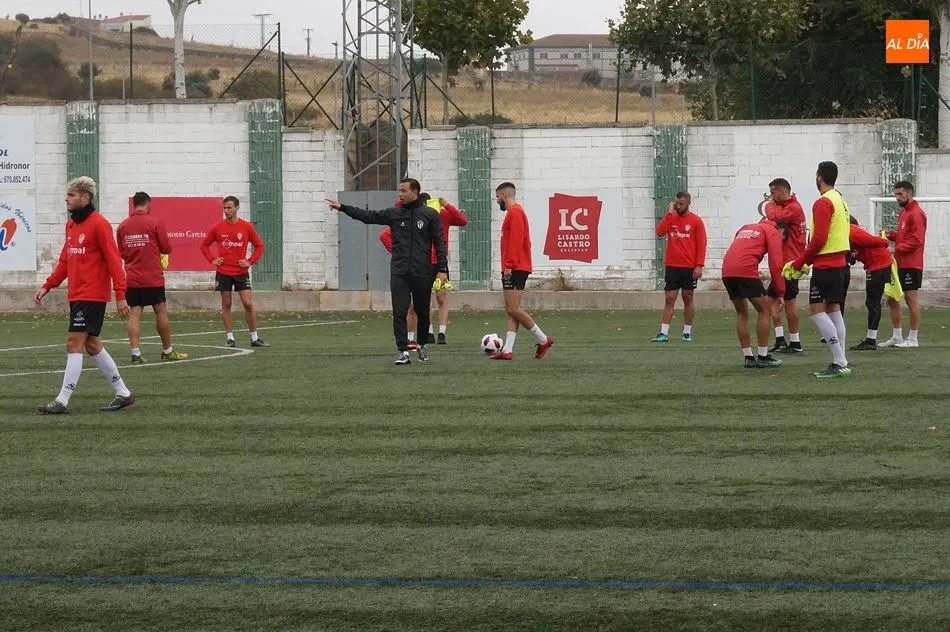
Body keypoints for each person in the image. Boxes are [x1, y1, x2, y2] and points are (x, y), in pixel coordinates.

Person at [34, 177, 135, 414]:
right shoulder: (71, 225)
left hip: (92, 294)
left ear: (85, 198)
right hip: (77, 295)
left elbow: (114, 260)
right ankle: (124, 393)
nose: (66, 199)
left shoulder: (99, 224)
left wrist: (120, 294)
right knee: (92, 344)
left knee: (73, 343)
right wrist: (49, 284)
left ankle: (62, 400)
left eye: (71, 195)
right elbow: (65, 260)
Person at [327, 178, 448, 365]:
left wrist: (442, 268)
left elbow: (439, 242)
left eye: (403, 190)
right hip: (399, 271)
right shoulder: (394, 213)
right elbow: (368, 216)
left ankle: (422, 346)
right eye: (399, 190)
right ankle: (403, 351)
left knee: (423, 312)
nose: (399, 194)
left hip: (422, 271)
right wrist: (343, 207)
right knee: (399, 311)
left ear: (414, 192)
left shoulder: (430, 215)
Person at [788, 161, 852, 378]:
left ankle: (840, 360)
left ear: (819, 177)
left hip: (827, 265)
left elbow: (819, 239)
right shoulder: (840, 200)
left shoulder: (823, 202)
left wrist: (799, 262)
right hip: (840, 265)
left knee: (816, 310)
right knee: (833, 310)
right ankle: (841, 359)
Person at [117, 191, 188, 363]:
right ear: (148, 205)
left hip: (133, 278)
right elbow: (165, 248)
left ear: (134, 205)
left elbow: (122, 253)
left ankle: (135, 353)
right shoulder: (155, 222)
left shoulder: (122, 226)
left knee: (135, 314)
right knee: (160, 311)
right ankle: (167, 351)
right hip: (153, 277)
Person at [489, 181, 553, 361]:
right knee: (511, 309)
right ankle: (507, 350)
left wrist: (509, 264)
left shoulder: (515, 212)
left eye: (497, 197)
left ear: (503, 195)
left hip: (515, 267)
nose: (497, 201)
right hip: (515, 266)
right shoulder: (515, 212)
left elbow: (517, 240)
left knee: (513, 308)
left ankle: (543, 339)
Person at [200, 196, 270, 348]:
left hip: (240, 272)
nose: (226, 211)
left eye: (229, 208)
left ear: (237, 208)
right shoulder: (218, 227)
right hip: (223, 272)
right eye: (224, 208)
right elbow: (204, 245)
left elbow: (260, 246)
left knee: (248, 303)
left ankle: (254, 337)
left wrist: (249, 261)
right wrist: (212, 259)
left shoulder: (246, 226)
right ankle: (230, 338)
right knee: (226, 304)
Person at [721, 220, 788, 369]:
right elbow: (776, 263)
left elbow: (737, 250)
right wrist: (780, 292)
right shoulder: (772, 232)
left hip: (727, 271)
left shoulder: (745, 227)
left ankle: (748, 357)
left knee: (741, 313)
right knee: (764, 310)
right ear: (780, 231)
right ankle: (763, 356)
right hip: (745, 271)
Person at [758, 178, 806, 353]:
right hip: (784, 262)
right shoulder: (790, 206)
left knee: (789, 301)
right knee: (772, 300)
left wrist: (769, 205)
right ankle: (780, 339)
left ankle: (795, 343)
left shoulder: (793, 208)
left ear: (780, 191)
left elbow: (775, 216)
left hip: (791, 263)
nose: (771, 197)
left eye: (772, 193)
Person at [653, 191, 707, 343]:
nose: (678, 206)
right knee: (669, 299)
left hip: (689, 267)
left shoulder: (696, 221)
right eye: (677, 203)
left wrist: (699, 265)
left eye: (681, 204)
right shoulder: (671, 217)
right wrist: (669, 214)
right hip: (672, 265)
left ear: (688, 203)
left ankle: (687, 332)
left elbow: (701, 244)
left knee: (688, 298)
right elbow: (660, 232)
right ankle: (663, 332)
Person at [879, 180, 928, 348]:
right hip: (898, 263)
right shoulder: (904, 213)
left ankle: (913, 338)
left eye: (900, 194)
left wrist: (895, 249)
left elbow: (917, 241)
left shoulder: (916, 213)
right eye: (895, 194)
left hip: (911, 264)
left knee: (910, 300)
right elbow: (903, 236)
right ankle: (897, 336)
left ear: (909, 193)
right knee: (892, 298)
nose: (897, 197)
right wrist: (890, 234)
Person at [847, 216, 894, 351]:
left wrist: (884, 242)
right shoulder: (851, 233)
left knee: (873, 301)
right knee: (872, 301)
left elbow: (873, 241)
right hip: (877, 264)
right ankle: (871, 338)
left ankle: (871, 340)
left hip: (878, 264)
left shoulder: (852, 231)